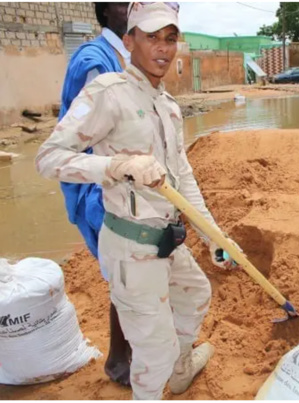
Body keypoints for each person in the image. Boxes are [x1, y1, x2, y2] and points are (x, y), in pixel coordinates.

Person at [36, 3, 238, 399]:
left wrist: (213, 234)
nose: (162, 48)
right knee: (153, 352)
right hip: (131, 247)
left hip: (166, 239)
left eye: (170, 38)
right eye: (151, 38)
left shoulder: (169, 107)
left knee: (196, 294)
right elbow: (48, 159)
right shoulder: (107, 93)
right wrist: (116, 165)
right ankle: (157, 379)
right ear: (129, 41)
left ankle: (177, 370)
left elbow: (185, 178)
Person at [57, 1, 131, 387]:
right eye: (124, 3)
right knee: (122, 273)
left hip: (117, 179)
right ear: (106, 12)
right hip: (98, 184)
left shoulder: (124, 56)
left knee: (128, 271)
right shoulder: (96, 62)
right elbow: (91, 135)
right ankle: (119, 360)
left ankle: (130, 352)